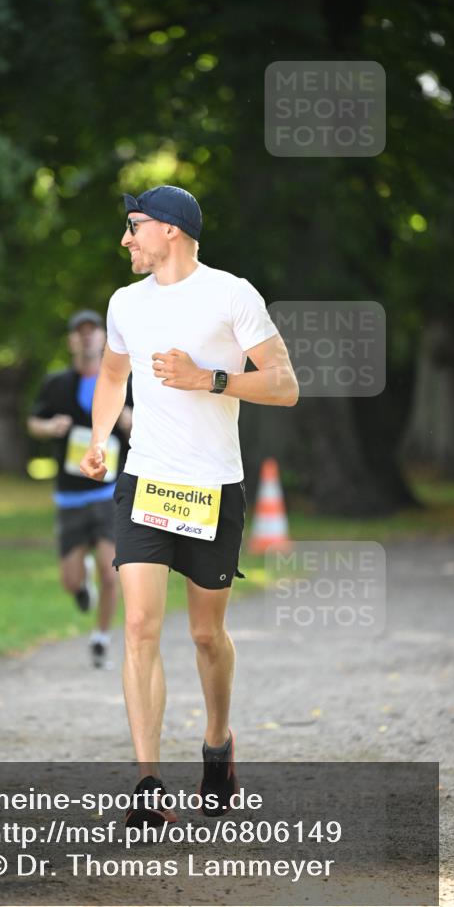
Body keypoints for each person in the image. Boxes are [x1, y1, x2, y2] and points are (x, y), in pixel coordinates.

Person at [79, 185, 298, 827]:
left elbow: (285, 386)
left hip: (213, 489)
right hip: (146, 480)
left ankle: (217, 742)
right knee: (140, 627)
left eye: (134, 227)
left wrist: (210, 378)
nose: (125, 239)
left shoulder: (231, 295)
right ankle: (148, 784)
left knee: (206, 634)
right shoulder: (125, 303)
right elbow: (114, 377)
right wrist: (97, 440)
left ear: (170, 230)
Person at [28, 310, 132, 669]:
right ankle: (80, 581)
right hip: (70, 495)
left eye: (93, 332)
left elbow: (144, 427)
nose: (87, 338)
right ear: (72, 340)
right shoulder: (57, 384)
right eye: (80, 333)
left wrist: (125, 418)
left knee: (110, 570)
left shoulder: (122, 379)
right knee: (70, 581)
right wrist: (50, 426)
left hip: (108, 492)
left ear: (104, 338)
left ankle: (101, 638)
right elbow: (33, 423)